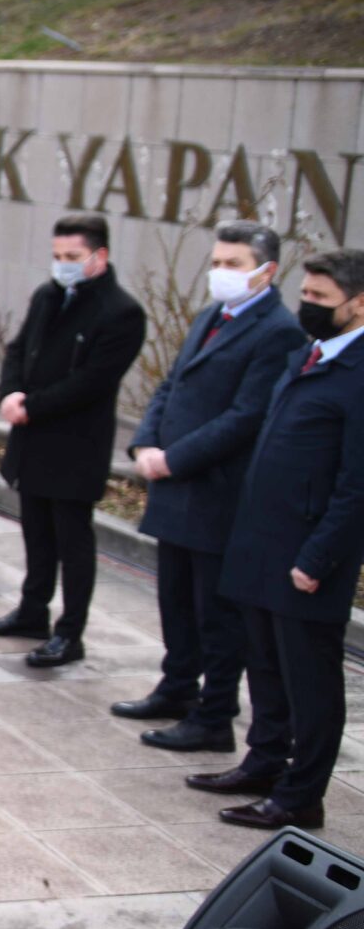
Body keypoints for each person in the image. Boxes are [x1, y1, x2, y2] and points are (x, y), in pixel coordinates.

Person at [114, 222, 303, 753]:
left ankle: (214, 715)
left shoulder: (279, 331)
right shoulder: (209, 316)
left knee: (216, 615)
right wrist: (145, 443)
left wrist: (174, 458)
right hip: (174, 487)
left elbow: (246, 417)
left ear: (267, 272)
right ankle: (176, 687)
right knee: (174, 598)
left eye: (234, 265)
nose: (220, 273)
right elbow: (170, 385)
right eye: (217, 262)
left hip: (216, 493)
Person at [196, 248, 364, 831]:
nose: (306, 306)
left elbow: (357, 484)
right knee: (264, 666)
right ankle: (265, 762)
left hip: (306, 557)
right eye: (306, 294)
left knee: (310, 683)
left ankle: (300, 795)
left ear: (359, 303)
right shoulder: (308, 354)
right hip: (260, 545)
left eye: (320, 298)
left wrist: (319, 556)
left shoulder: (359, 374)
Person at [0, 213, 147, 670]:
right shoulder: (48, 294)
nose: (62, 265)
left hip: (74, 444)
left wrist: (33, 406)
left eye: (72, 257)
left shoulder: (121, 311)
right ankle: (33, 611)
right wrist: (11, 392)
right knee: (36, 532)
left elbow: (92, 381)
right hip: (32, 438)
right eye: (57, 256)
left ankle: (70, 633)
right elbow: (17, 347)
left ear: (99, 256)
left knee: (73, 542)